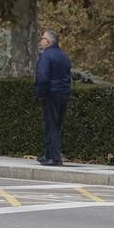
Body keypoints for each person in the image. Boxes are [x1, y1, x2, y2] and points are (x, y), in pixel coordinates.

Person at [35, 30, 71, 167]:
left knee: (50, 125)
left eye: (42, 38)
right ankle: (48, 154)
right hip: (63, 94)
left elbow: (43, 77)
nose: (41, 41)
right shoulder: (64, 56)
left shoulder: (46, 56)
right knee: (56, 125)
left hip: (51, 94)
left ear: (48, 42)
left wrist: (40, 93)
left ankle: (55, 157)